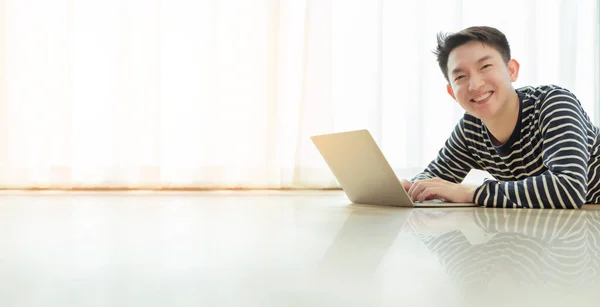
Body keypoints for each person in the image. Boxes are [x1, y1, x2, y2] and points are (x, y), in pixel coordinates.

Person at [400, 26, 600, 209]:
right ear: (452, 92)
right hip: (561, 227)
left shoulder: (553, 103)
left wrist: (471, 192)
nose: (475, 85)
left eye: (485, 67)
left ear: (512, 70)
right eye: (460, 77)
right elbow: (435, 178)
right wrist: (408, 188)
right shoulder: (471, 127)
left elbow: (569, 188)